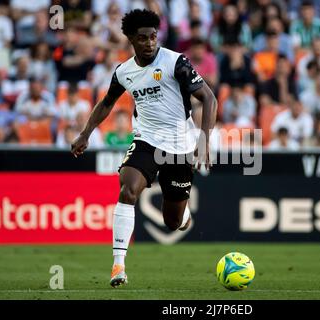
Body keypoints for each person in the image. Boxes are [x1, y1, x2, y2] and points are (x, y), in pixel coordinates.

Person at [70, 9, 217, 288]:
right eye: (143, 38)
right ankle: (118, 266)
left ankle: (183, 215)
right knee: (127, 189)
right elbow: (106, 103)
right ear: (130, 39)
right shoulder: (124, 72)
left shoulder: (176, 62)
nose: (150, 42)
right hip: (146, 141)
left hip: (179, 145)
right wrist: (85, 133)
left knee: (172, 222)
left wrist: (204, 141)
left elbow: (209, 99)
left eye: (153, 36)